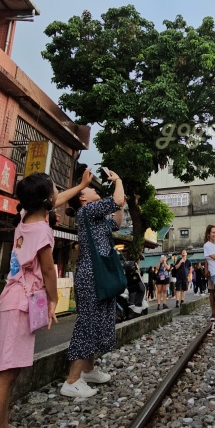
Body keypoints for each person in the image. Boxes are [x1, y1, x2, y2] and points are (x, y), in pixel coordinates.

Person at [0, 168, 94, 428]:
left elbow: (56, 198)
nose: (58, 194)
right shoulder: (42, 230)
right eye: (55, 190)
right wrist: (53, 300)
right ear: (47, 200)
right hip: (20, 302)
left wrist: (79, 185)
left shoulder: (28, 216)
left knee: (10, 372)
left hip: (15, 298)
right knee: (5, 375)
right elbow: (49, 270)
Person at [61, 169, 125, 398]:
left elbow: (117, 221)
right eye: (91, 189)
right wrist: (118, 181)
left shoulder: (97, 217)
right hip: (92, 275)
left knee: (97, 321)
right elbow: (117, 199)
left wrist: (121, 204)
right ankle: (72, 379)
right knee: (88, 323)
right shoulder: (88, 211)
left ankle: (88, 370)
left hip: (96, 274)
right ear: (83, 197)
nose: (95, 190)